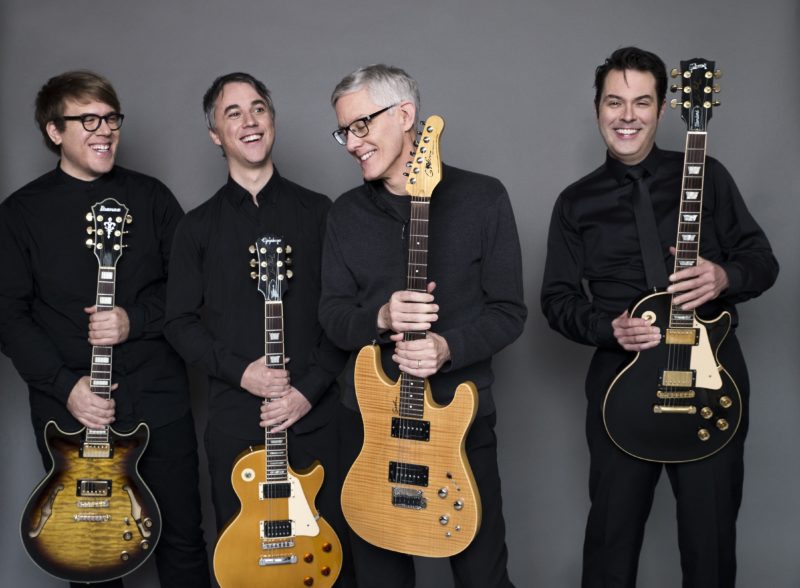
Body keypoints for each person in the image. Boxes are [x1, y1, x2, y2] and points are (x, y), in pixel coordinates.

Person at [540, 47, 779, 587]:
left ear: (665, 108)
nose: (627, 115)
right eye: (614, 102)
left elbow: (763, 262)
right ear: (598, 108)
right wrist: (608, 328)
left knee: (710, 538)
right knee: (611, 538)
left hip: (709, 378)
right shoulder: (575, 203)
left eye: (642, 102)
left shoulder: (708, 177)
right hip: (620, 381)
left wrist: (724, 277)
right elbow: (556, 299)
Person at [0, 70, 210, 587]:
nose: (104, 130)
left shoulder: (153, 198)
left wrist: (134, 320)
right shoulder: (19, 214)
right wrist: (64, 387)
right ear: (54, 131)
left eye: (111, 118)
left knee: (184, 538)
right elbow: (7, 314)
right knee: (88, 553)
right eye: (87, 119)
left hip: (159, 399)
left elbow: (193, 292)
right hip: (69, 410)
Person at [321, 63, 526, 588]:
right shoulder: (345, 214)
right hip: (369, 431)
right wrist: (381, 318)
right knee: (379, 578)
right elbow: (331, 316)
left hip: (461, 425)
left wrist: (447, 347)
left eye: (361, 125)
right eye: (345, 131)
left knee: (483, 576)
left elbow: (509, 310)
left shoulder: (484, 198)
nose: (351, 143)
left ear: (405, 115)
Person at [163, 72, 353, 585]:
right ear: (215, 135)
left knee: (331, 568)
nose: (249, 122)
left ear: (272, 119)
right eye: (233, 113)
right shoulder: (195, 228)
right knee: (248, 571)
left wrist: (307, 393)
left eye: (259, 109)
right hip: (234, 426)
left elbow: (344, 315)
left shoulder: (321, 213)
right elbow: (177, 323)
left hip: (316, 421)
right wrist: (241, 374)